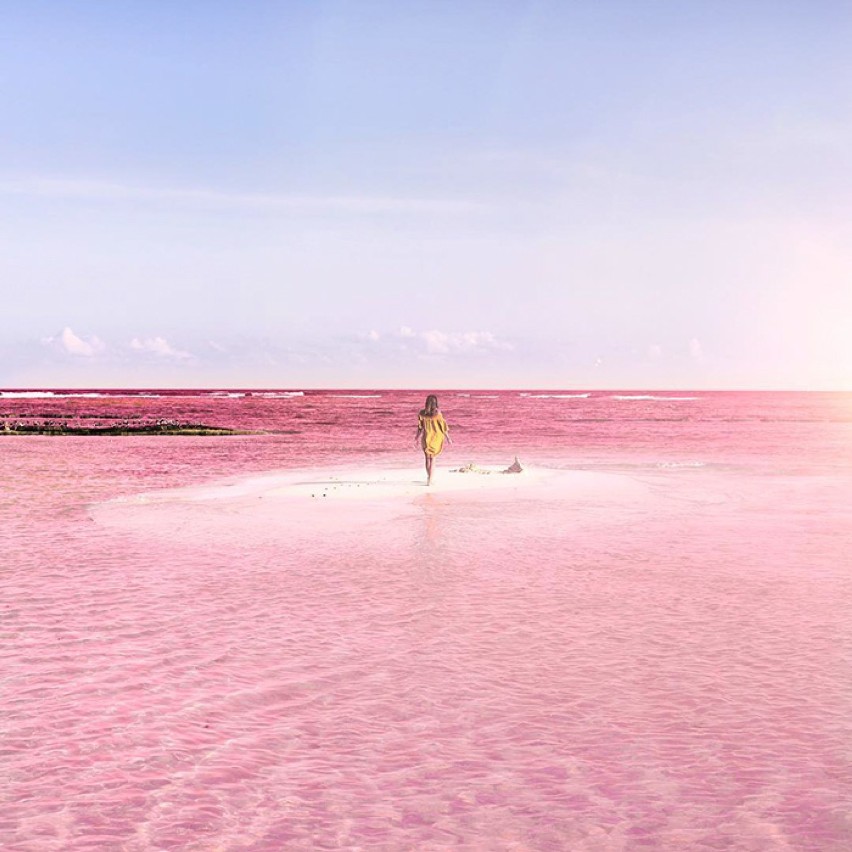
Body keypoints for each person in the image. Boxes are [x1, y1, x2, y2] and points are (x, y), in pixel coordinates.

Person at [414, 394, 451, 485]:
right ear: (435, 403)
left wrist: (417, 437)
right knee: (433, 459)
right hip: (436, 437)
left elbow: (420, 427)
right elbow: (443, 427)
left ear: (426, 403)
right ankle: (430, 480)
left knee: (427, 459)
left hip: (426, 437)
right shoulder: (438, 413)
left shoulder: (422, 413)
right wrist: (448, 438)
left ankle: (428, 478)